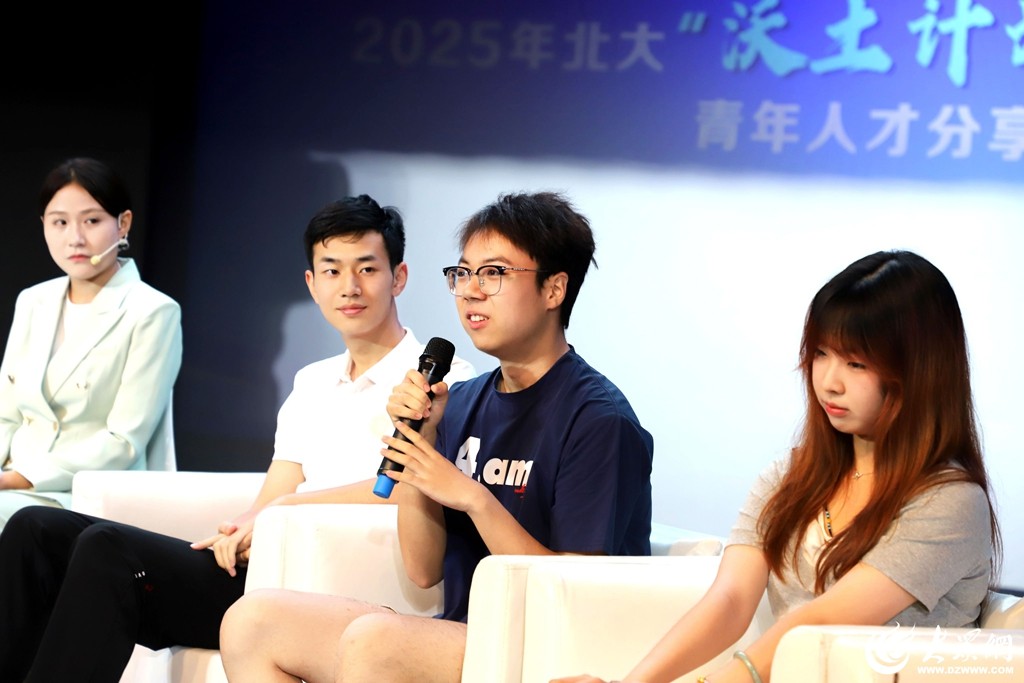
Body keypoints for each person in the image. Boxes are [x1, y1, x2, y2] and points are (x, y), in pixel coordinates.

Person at [0, 194, 474, 682]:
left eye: (367, 269)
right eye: (332, 271)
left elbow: (414, 489)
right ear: (311, 284)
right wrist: (246, 526)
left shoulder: (443, 382)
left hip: (333, 587)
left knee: (107, 550)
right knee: (36, 529)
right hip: (267, 569)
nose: (349, 287)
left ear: (399, 277)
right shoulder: (312, 380)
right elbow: (275, 489)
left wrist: (284, 510)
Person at [218, 191, 655, 682]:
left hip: (555, 649)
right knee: (253, 623)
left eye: (494, 273)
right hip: (468, 634)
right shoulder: (460, 401)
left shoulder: (598, 420)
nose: (470, 292)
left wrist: (472, 497)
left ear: (554, 290)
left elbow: (575, 594)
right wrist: (419, 447)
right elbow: (423, 570)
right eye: (463, 274)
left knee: (377, 642)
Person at [554, 250, 1001, 683]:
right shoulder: (791, 475)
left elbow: (820, 623)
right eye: (821, 353)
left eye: (856, 363)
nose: (829, 382)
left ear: (920, 372)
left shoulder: (951, 501)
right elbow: (730, 600)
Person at [0, 157, 182, 529]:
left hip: (85, 494)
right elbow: (6, 414)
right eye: (60, 222)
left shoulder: (152, 311)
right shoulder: (33, 301)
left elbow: (123, 441)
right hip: (11, 483)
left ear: (123, 224)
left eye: (92, 221)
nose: (75, 239)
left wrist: (18, 478)